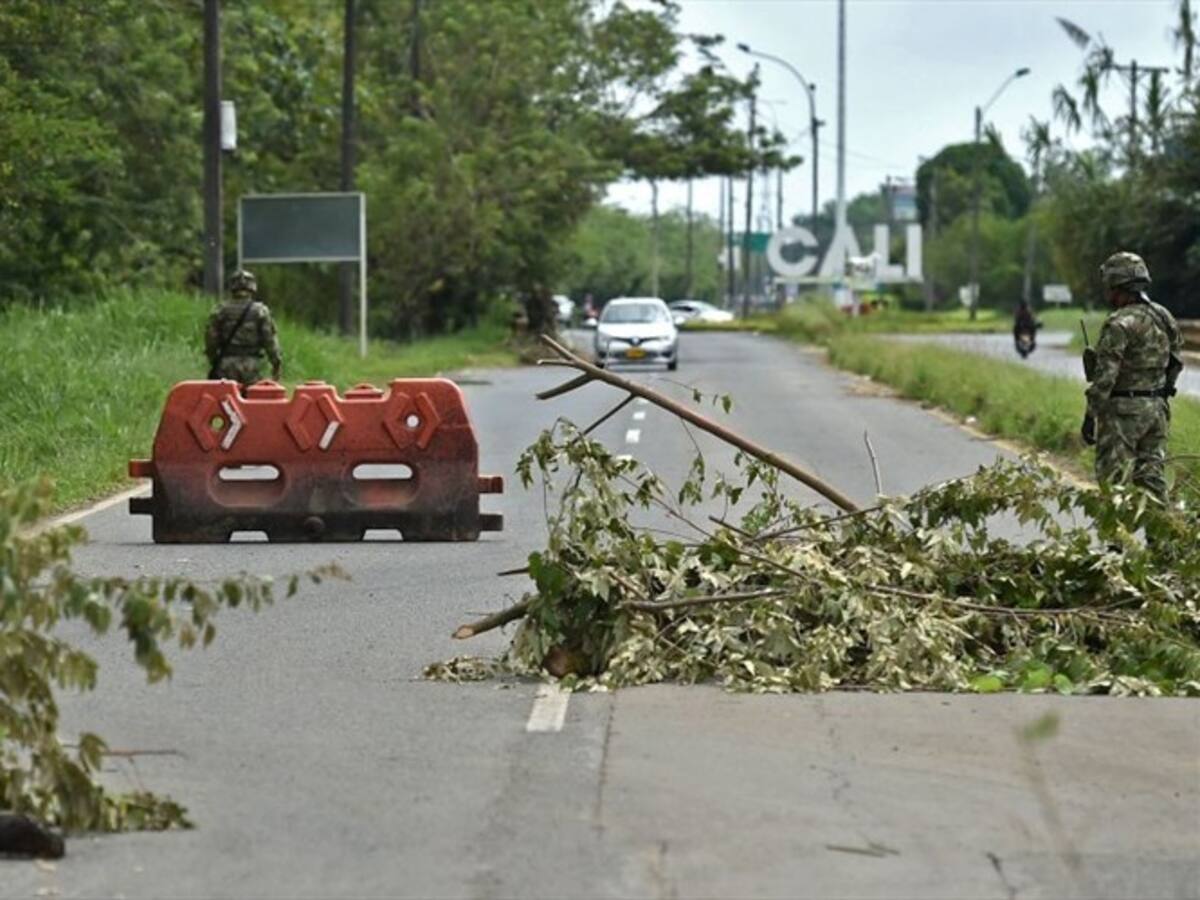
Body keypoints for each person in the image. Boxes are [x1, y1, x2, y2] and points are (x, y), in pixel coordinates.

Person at [1081, 251, 1184, 503]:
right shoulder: (1164, 316)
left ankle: (1117, 541)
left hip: (1122, 415)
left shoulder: (1119, 324)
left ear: (1116, 285)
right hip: (1157, 411)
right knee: (1152, 479)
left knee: (1113, 481)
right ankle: (1160, 541)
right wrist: (1162, 392)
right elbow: (1176, 361)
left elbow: (1105, 378)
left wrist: (1090, 416)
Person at [204, 269, 283, 387]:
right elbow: (269, 341)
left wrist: (214, 359)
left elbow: (211, 339)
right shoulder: (260, 311)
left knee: (226, 401)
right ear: (252, 287)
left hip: (226, 365)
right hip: (251, 366)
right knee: (252, 402)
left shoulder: (221, 310)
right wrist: (276, 363)